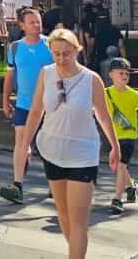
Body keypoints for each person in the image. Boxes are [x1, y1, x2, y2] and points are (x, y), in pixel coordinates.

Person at [22, 28, 120, 258]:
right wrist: (25, 144)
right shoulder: (46, 74)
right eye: (56, 54)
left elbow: (104, 116)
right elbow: (36, 112)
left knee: (78, 220)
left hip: (83, 153)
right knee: (63, 214)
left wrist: (114, 145)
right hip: (52, 149)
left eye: (66, 53)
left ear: (78, 50)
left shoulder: (91, 79)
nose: (61, 59)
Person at [0, 7, 53, 205]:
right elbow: (10, 75)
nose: (36, 25)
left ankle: (53, 185)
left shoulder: (50, 45)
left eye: (38, 21)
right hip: (23, 104)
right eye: (32, 22)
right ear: (21, 25)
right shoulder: (15, 48)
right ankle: (17, 185)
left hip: (49, 105)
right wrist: (5, 100)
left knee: (49, 146)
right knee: (21, 142)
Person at [104, 57, 138, 216]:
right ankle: (131, 186)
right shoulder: (106, 93)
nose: (124, 76)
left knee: (121, 165)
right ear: (111, 74)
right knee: (122, 166)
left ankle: (117, 199)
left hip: (129, 136)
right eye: (121, 73)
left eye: (127, 74)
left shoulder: (134, 94)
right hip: (113, 136)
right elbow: (99, 112)